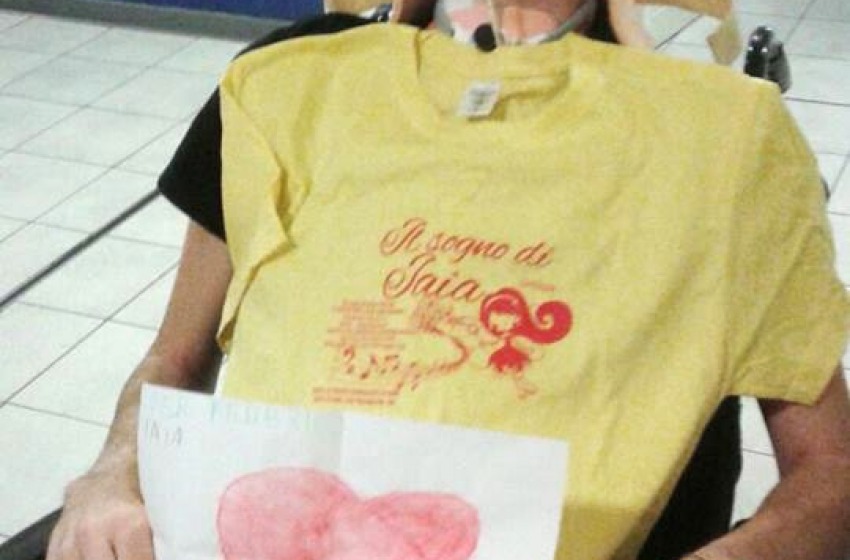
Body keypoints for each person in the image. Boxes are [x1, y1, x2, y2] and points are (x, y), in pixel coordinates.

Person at [45, 0, 850, 557]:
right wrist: (112, 477)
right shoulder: (283, 86)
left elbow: (831, 476)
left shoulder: (719, 142)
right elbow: (174, 358)